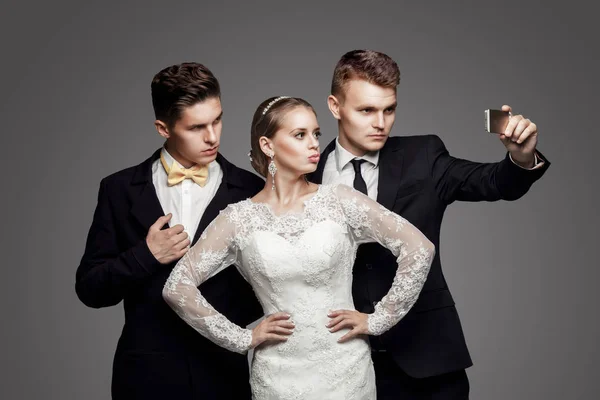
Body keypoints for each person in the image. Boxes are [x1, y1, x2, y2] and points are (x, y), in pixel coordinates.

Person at [309, 49, 551, 399]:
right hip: (344, 364)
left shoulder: (423, 156)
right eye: (366, 110)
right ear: (335, 106)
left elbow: (494, 182)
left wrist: (521, 156)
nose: (381, 123)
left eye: (389, 109)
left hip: (428, 360)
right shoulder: (307, 173)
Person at [162, 96, 435, 399]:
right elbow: (177, 286)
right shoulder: (237, 219)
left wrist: (379, 318)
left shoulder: (340, 200)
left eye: (316, 134)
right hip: (277, 375)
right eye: (300, 135)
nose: (314, 144)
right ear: (267, 146)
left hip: (344, 369)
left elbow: (419, 248)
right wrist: (241, 338)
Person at [75, 62, 264, 399]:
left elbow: (268, 284)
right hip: (146, 377)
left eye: (217, 120)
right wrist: (145, 256)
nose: (212, 137)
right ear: (163, 128)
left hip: (222, 374)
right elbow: (90, 289)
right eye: (196, 127)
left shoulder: (252, 189)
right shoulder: (119, 189)